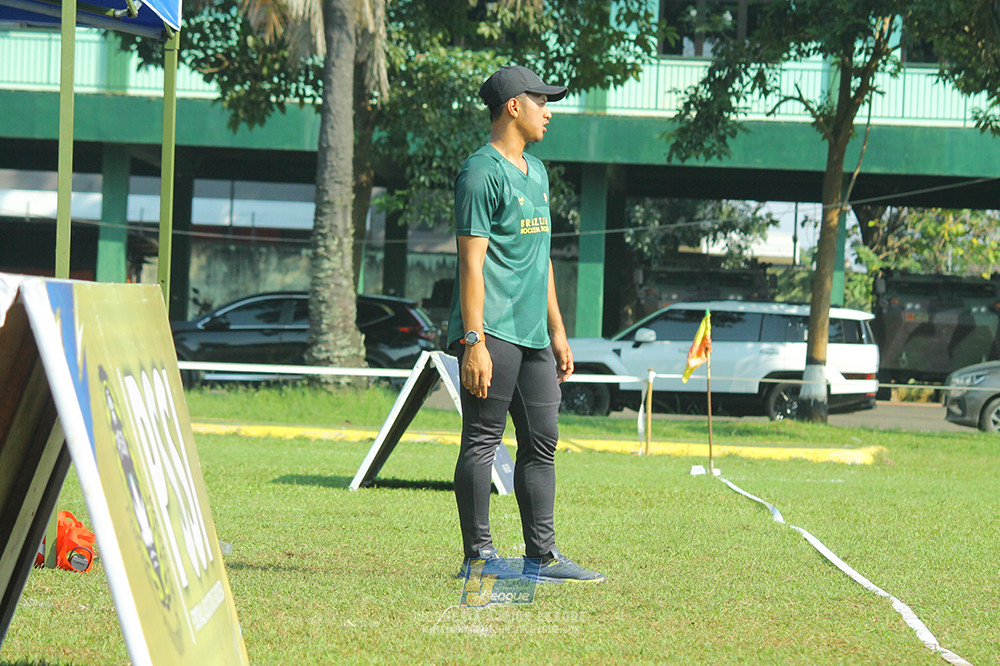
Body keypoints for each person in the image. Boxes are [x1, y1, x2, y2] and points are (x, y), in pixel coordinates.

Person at [446, 65, 605, 584]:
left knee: (542, 441)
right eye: (542, 102)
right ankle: (479, 558)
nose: (549, 111)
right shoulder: (479, 172)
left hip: (535, 333)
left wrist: (558, 330)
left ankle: (542, 556)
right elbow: (471, 263)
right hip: (491, 331)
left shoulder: (536, 172)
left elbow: (543, 259)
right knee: (482, 441)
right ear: (514, 106)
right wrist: (474, 341)